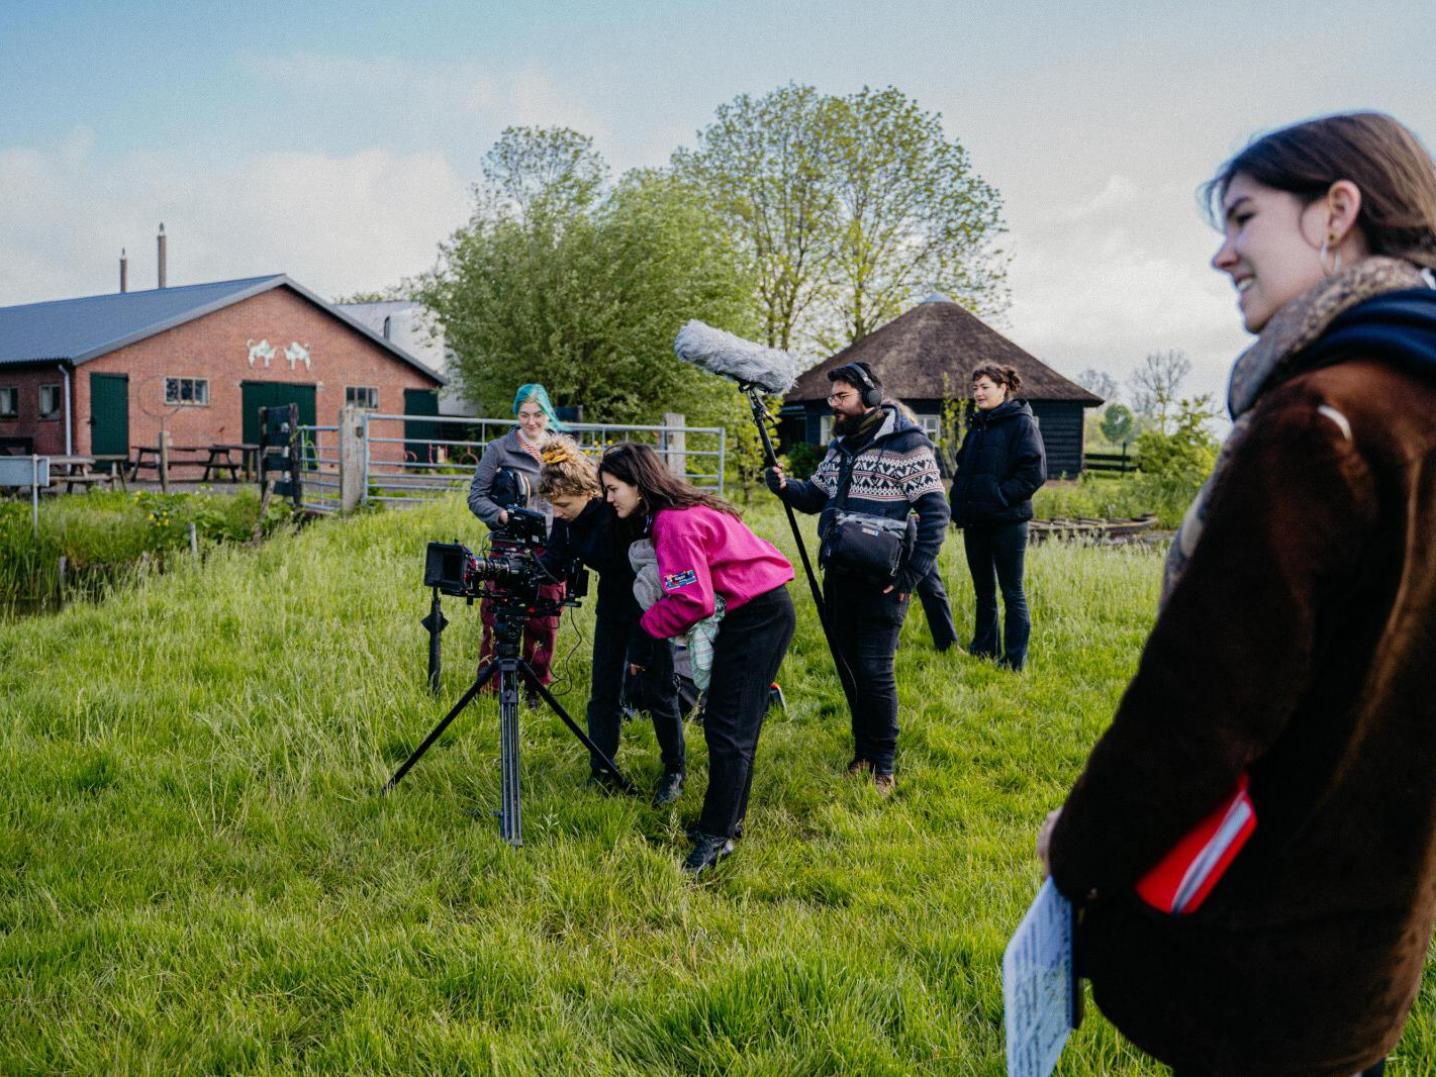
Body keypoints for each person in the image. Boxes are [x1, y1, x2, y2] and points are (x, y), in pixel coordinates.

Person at [1040, 112, 1436, 1075]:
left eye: (1244, 218)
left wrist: (1078, 850)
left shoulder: (1319, 420)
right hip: (1374, 937)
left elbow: (1204, 707)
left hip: (1260, 939)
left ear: (1336, 211)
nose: (1222, 255)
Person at [599, 442, 795, 875]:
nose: (609, 499)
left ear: (638, 483)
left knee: (727, 728)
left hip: (757, 614)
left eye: (614, 489)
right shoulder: (678, 510)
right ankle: (727, 823)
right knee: (733, 725)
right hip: (756, 607)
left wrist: (647, 629)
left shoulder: (672, 523)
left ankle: (715, 837)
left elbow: (692, 601)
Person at [765, 362, 949, 792]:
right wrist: (785, 487)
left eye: (842, 396)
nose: (834, 404)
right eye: (831, 397)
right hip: (840, 576)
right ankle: (862, 752)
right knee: (849, 668)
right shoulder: (840, 447)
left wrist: (910, 577)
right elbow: (814, 497)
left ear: (868, 397)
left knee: (874, 670)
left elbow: (938, 513)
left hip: (885, 582)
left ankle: (883, 763)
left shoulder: (909, 445)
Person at [536, 436, 686, 806]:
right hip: (612, 609)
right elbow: (552, 564)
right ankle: (602, 768)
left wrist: (643, 643)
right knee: (603, 692)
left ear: (588, 493)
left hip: (649, 608)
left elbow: (649, 572)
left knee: (658, 690)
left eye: (563, 504)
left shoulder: (617, 514)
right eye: (552, 505)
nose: (557, 512)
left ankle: (674, 769)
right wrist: (519, 569)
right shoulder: (566, 521)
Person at [467, 384, 565, 699]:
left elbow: (581, 492)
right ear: (516, 414)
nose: (531, 421)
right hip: (508, 544)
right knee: (499, 615)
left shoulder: (562, 450)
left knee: (544, 618)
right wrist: (502, 515)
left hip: (549, 545)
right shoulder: (500, 449)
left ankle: (536, 687)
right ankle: (493, 686)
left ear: (548, 414)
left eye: (537, 414)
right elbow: (477, 496)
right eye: (524, 415)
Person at [948, 365, 1046, 670]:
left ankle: (1014, 659)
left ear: (1004, 387)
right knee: (983, 591)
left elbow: (1034, 474)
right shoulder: (978, 426)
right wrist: (959, 502)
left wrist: (999, 498)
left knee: (1012, 591)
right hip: (976, 521)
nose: (977, 393)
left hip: (1008, 522)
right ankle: (984, 648)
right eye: (975, 387)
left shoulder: (1021, 424)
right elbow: (964, 468)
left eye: (985, 387)